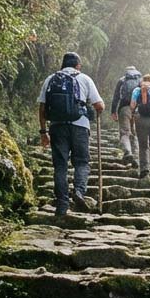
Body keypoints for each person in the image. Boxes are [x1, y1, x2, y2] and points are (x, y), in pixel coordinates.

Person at [36, 51, 105, 217]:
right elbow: (99, 105)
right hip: (80, 126)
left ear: (62, 64)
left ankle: (62, 205)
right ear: (78, 65)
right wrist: (94, 108)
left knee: (60, 165)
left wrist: (43, 132)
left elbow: (42, 108)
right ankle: (79, 191)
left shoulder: (50, 79)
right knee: (81, 162)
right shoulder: (84, 79)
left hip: (57, 127)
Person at [131, 74, 150, 179]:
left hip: (141, 119)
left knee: (143, 145)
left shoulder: (137, 90)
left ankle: (144, 169)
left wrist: (133, 114)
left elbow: (132, 105)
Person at [111, 66, 143, 165]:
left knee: (125, 132)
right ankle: (137, 157)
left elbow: (116, 97)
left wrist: (113, 111)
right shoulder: (141, 80)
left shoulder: (122, 80)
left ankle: (128, 152)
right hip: (138, 110)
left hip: (124, 108)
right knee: (134, 133)